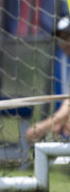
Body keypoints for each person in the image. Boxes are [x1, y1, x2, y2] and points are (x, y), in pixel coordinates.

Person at [25, 16, 70, 144]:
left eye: (67, 36)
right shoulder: (61, 62)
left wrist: (42, 127)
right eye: (61, 38)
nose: (64, 42)